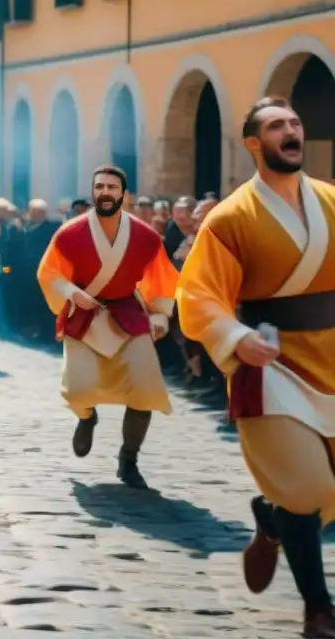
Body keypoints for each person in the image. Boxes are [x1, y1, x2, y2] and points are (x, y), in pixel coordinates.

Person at [177, 97, 335, 637]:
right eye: (276, 126)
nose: (290, 131)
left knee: (319, 493)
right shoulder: (229, 218)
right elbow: (197, 298)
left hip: (333, 361)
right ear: (254, 144)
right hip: (269, 366)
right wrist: (234, 336)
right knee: (306, 486)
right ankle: (319, 608)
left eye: (294, 122)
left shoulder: (333, 201)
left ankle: (271, 522)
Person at [36, 165, 179, 489]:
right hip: (84, 317)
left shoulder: (145, 236)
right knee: (78, 390)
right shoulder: (70, 233)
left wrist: (159, 315)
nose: (105, 192)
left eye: (112, 187)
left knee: (145, 390)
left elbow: (161, 278)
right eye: (99, 186)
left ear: (123, 195)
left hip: (127, 315)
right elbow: (49, 274)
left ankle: (129, 459)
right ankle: (87, 417)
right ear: (93, 192)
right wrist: (73, 293)